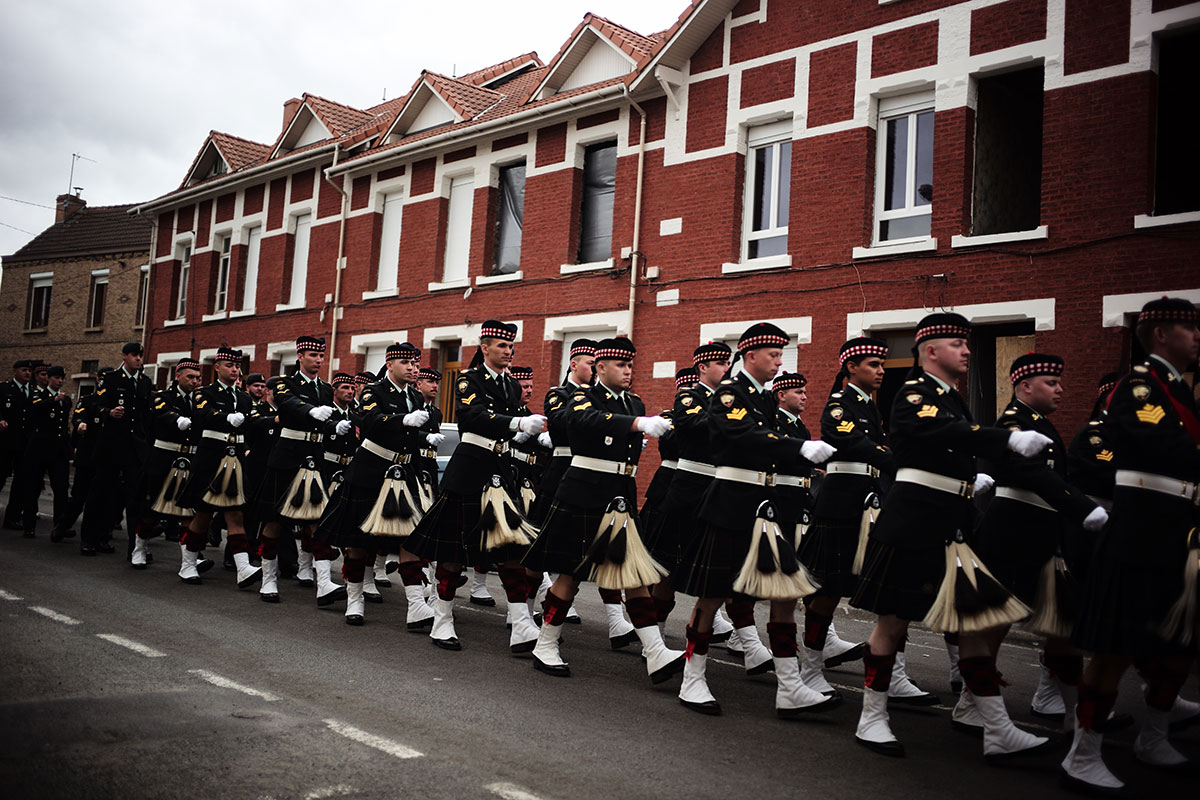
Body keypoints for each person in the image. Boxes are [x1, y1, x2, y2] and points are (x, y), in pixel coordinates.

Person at [850, 313, 1053, 760]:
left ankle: (996, 726)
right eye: (957, 343)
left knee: (973, 626)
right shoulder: (916, 391)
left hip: (952, 522)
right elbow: (937, 432)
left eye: (966, 343)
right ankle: (873, 717)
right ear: (931, 350)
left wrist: (973, 476)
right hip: (915, 520)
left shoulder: (951, 398)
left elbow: (954, 442)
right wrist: (1005, 440)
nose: (966, 350)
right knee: (894, 621)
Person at [1063, 297, 1200, 794]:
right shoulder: (1139, 383)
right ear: (1161, 334)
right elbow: (1164, 444)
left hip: (1179, 530)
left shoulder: (1182, 387)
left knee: (1178, 644)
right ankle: (1083, 753)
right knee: (1115, 648)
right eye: (1190, 327)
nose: (1198, 336)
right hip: (1141, 528)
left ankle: (1156, 735)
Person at [674, 323, 838, 717]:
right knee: (712, 595)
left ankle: (789, 686)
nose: (780, 362)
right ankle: (692, 678)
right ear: (749, 356)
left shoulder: (766, 398)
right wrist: (800, 447)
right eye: (773, 355)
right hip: (731, 502)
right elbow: (744, 437)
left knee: (785, 594)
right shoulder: (731, 393)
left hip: (767, 505)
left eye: (782, 355)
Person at [522, 336, 682, 682]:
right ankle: (546, 644)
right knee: (570, 573)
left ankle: (654, 651)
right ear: (601, 368)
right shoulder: (581, 397)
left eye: (630, 365)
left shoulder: (635, 403)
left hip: (620, 494)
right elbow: (588, 420)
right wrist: (636, 425)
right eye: (621, 365)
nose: (628, 371)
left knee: (633, 576)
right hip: (584, 492)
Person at [967, 354, 1108, 736]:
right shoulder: (1015, 423)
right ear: (1025, 386)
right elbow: (1031, 474)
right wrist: (1080, 505)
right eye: (1051, 383)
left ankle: (1073, 711)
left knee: (1062, 625)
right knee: (995, 622)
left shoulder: (1040, 424)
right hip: (1013, 531)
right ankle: (970, 704)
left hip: (1043, 533)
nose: (1060, 389)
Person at [404, 320, 545, 653]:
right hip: (470, 470)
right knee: (453, 553)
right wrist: (516, 422)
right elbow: (473, 418)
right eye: (502, 346)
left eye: (511, 347)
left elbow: (508, 429)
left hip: (499, 471)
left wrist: (524, 433)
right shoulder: (469, 380)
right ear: (485, 348)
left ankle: (521, 625)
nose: (508, 352)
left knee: (510, 553)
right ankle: (442, 620)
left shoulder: (511, 386)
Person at [799, 338, 919, 700]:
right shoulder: (839, 404)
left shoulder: (871, 409)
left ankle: (894, 674)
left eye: (882, 365)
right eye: (873, 365)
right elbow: (851, 442)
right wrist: (897, 462)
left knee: (890, 586)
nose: (881, 371)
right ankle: (810, 668)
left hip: (873, 501)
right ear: (851, 368)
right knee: (828, 589)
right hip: (842, 503)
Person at [254, 336, 343, 606]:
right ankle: (268, 579)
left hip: (315, 457)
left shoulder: (326, 389)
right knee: (273, 519)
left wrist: (336, 427)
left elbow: (325, 421)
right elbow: (289, 404)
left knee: (317, 519)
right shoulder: (284, 383)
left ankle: (325, 582)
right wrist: (311, 411)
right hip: (288, 455)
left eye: (320, 356)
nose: (318, 360)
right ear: (300, 355)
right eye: (313, 355)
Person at [176, 348, 260, 588]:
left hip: (235, 462)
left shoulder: (244, 397)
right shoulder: (205, 393)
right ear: (217, 368)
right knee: (202, 514)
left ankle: (243, 567)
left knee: (235, 513)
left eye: (237, 366)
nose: (234, 370)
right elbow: (203, 415)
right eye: (229, 366)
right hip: (212, 458)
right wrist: (226, 419)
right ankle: (188, 564)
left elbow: (251, 424)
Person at [79, 342, 153, 557]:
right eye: (134, 355)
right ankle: (90, 539)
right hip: (111, 446)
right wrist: (109, 411)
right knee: (101, 493)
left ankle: (136, 548)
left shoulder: (145, 383)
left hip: (135, 449)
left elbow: (146, 417)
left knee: (134, 499)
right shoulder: (110, 380)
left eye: (140, 355)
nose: (138, 359)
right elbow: (96, 405)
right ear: (125, 356)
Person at [134, 358, 206, 569]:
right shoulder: (163, 397)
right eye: (190, 377)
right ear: (178, 376)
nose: (195, 381)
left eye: (198, 378)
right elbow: (162, 412)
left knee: (188, 514)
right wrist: (177, 419)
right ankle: (139, 548)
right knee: (151, 511)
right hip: (164, 458)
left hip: (190, 460)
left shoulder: (201, 400)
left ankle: (189, 562)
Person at [0, 359, 37, 528]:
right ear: (15, 371)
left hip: (25, 444)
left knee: (20, 482)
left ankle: (12, 517)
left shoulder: (34, 391)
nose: (28, 373)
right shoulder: (5, 389)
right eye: (24, 370)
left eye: (29, 371)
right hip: (6, 442)